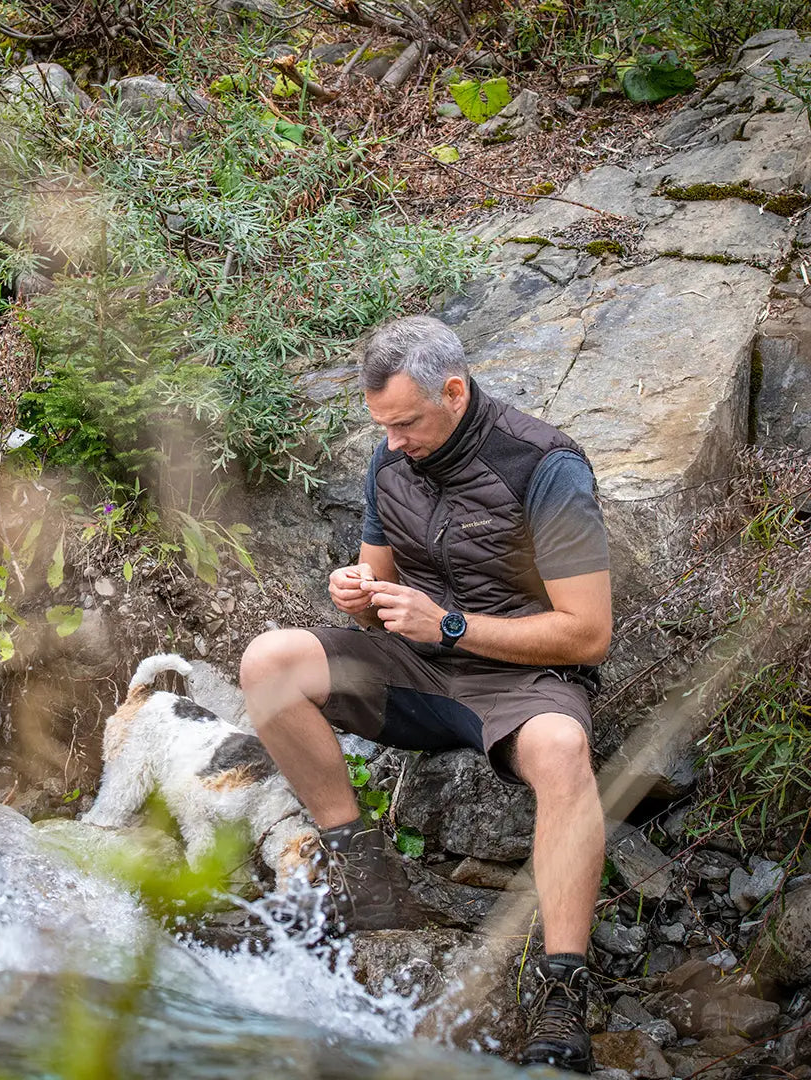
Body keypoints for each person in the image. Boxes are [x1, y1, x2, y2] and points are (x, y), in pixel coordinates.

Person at [239, 315, 611, 1072]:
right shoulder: (392, 459)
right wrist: (355, 590)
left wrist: (447, 623)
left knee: (566, 750)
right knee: (268, 660)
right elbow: (378, 582)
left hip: (523, 681)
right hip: (418, 667)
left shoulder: (546, 466)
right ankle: (366, 871)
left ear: (454, 389)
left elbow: (587, 633)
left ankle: (563, 987)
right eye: (383, 426)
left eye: (406, 423)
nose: (394, 442)